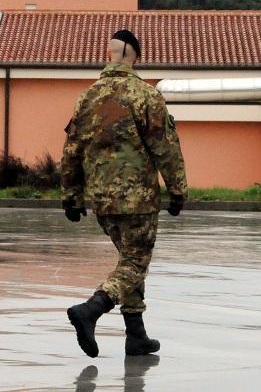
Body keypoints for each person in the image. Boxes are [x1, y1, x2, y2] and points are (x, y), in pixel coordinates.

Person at [60, 29, 187, 358]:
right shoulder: (144, 95)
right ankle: (91, 310)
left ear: (111, 53)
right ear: (135, 57)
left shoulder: (87, 97)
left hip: (102, 199)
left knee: (127, 260)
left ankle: (136, 336)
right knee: (134, 263)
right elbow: (165, 147)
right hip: (138, 199)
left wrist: (71, 196)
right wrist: (177, 189)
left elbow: (72, 149)